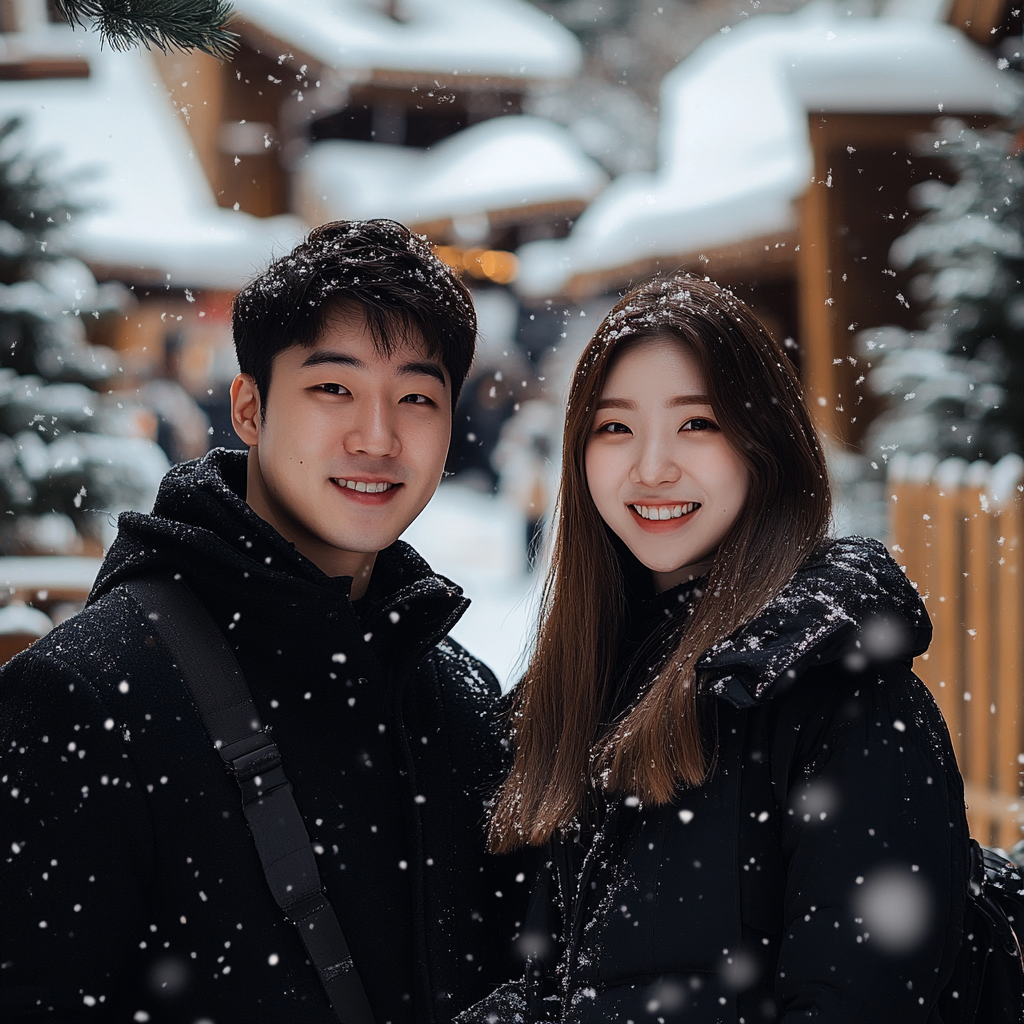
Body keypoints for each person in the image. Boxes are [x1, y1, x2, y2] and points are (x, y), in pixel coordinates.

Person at [0, 220, 529, 1024]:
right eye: (333, 388)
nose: (377, 437)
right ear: (248, 407)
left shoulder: (454, 695)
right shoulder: (86, 696)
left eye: (416, 397)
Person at [460, 273, 969, 1023]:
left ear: (765, 444)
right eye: (615, 427)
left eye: (697, 424)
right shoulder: (579, 694)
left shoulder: (846, 701)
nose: (652, 466)